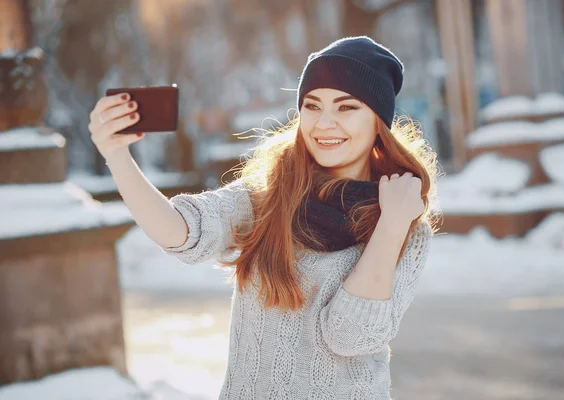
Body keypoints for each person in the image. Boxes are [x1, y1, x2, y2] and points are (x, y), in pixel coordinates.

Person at [88, 36, 439, 400]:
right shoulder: (266, 196)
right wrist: (117, 156)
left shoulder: (405, 227)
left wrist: (391, 226)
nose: (324, 123)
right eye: (312, 105)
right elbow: (181, 233)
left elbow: (349, 335)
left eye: (347, 107)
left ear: (378, 121)